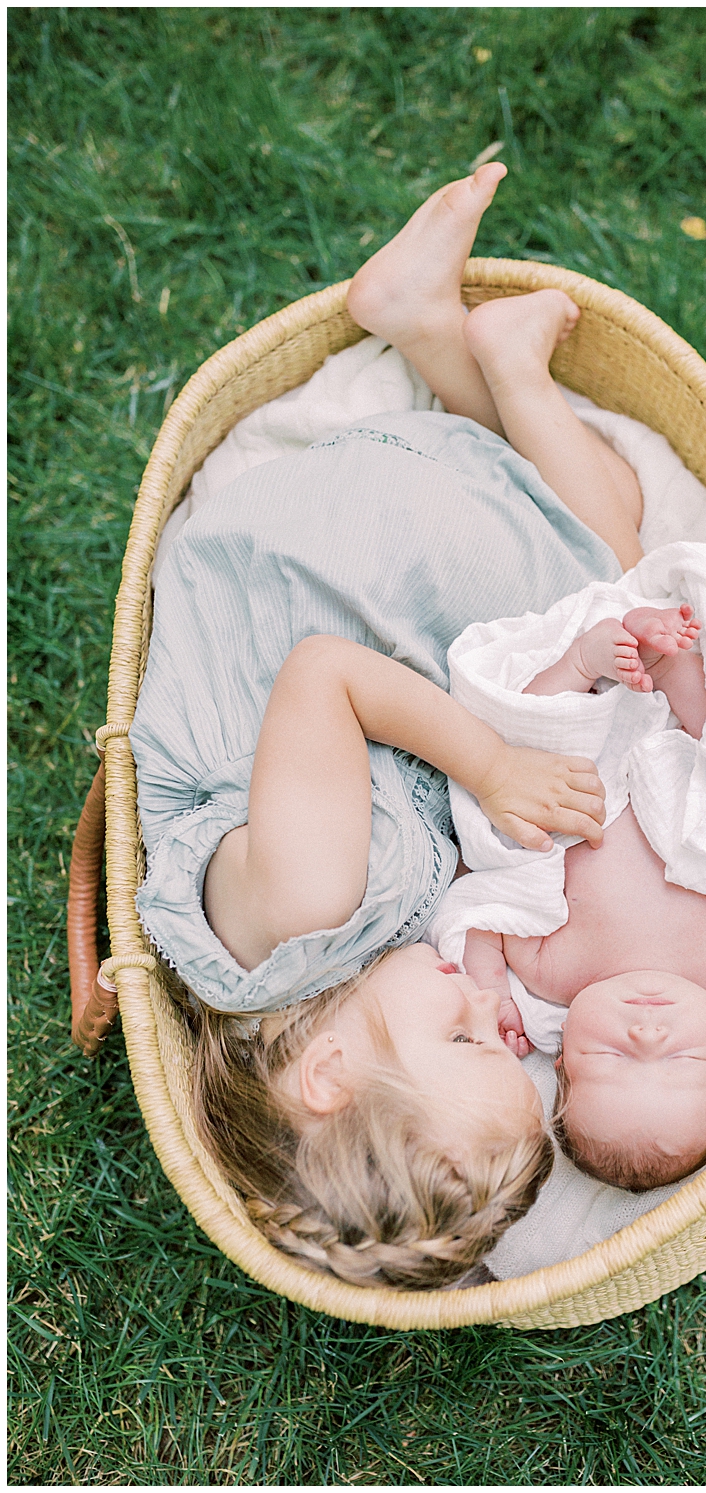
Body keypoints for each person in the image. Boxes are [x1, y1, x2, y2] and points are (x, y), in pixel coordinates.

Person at [129, 163, 657, 1288]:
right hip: (337, 584)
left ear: (321, 1076)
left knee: (605, 553)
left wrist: (495, 757)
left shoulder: (308, 910)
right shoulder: (321, 970)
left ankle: (493, 362)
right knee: (577, 585)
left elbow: (324, 677)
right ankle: (429, 326)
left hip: (310, 569)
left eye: (464, 1036)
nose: (488, 1009)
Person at [461, 602, 706, 1194]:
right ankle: (668, 666)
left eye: (613, 1061)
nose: (647, 1038)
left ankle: (583, 661)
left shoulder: (553, 976)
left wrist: (491, 995)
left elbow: (488, 909)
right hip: (682, 770)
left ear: (561, 1057)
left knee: (522, 738)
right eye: (683, 1063)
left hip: (585, 775)